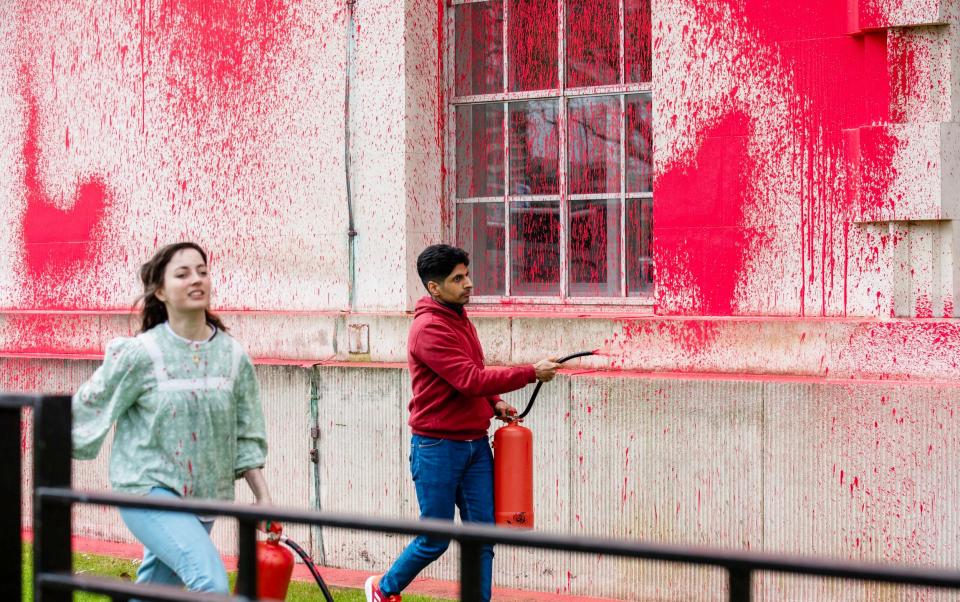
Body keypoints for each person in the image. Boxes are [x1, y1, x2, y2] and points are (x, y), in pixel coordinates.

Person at [72, 241, 275, 594]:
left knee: (155, 593)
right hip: (146, 489)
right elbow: (87, 407)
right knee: (210, 584)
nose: (196, 279)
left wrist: (263, 499)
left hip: (206, 495)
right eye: (183, 274)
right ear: (161, 291)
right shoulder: (140, 354)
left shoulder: (232, 356)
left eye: (202, 271)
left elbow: (245, 434)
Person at [365, 244, 561, 602]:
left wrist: (495, 403)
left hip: (475, 444)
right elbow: (469, 379)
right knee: (436, 537)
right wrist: (531, 372)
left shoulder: (459, 319)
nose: (468, 283)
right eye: (458, 278)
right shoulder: (428, 329)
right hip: (437, 447)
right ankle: (383, 589)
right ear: (434, 288)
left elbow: (475, 374)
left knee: (482, 537)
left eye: (467, 274)